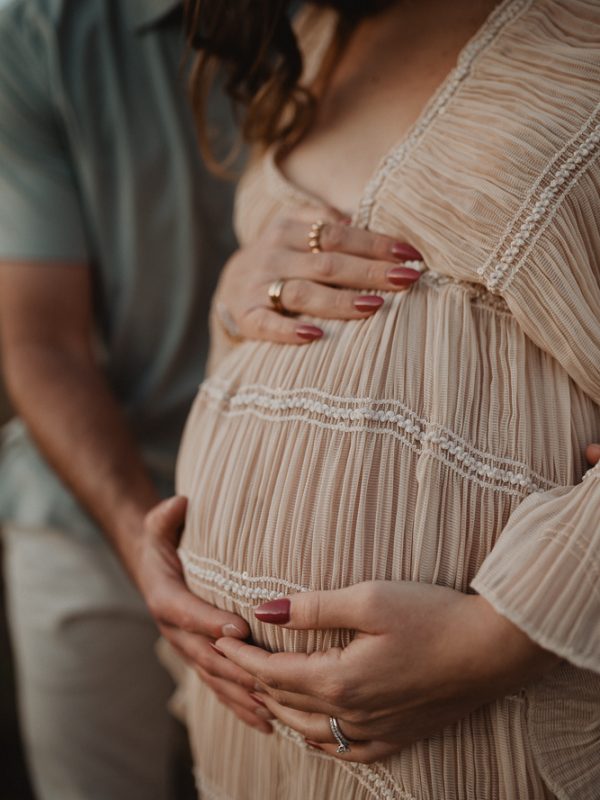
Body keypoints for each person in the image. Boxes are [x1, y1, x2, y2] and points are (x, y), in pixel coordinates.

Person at [0, 1, 436, 796]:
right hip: (92, 531)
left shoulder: (366, 17)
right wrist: (141, 544)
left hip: (322, 543)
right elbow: (39, 342)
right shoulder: (34, 32)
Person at [169, 0, 600, 798]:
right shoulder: (311, 40)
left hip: (477, 730)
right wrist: (234, 301)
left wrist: (503, 636)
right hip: (247, 727)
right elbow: (274, 324)